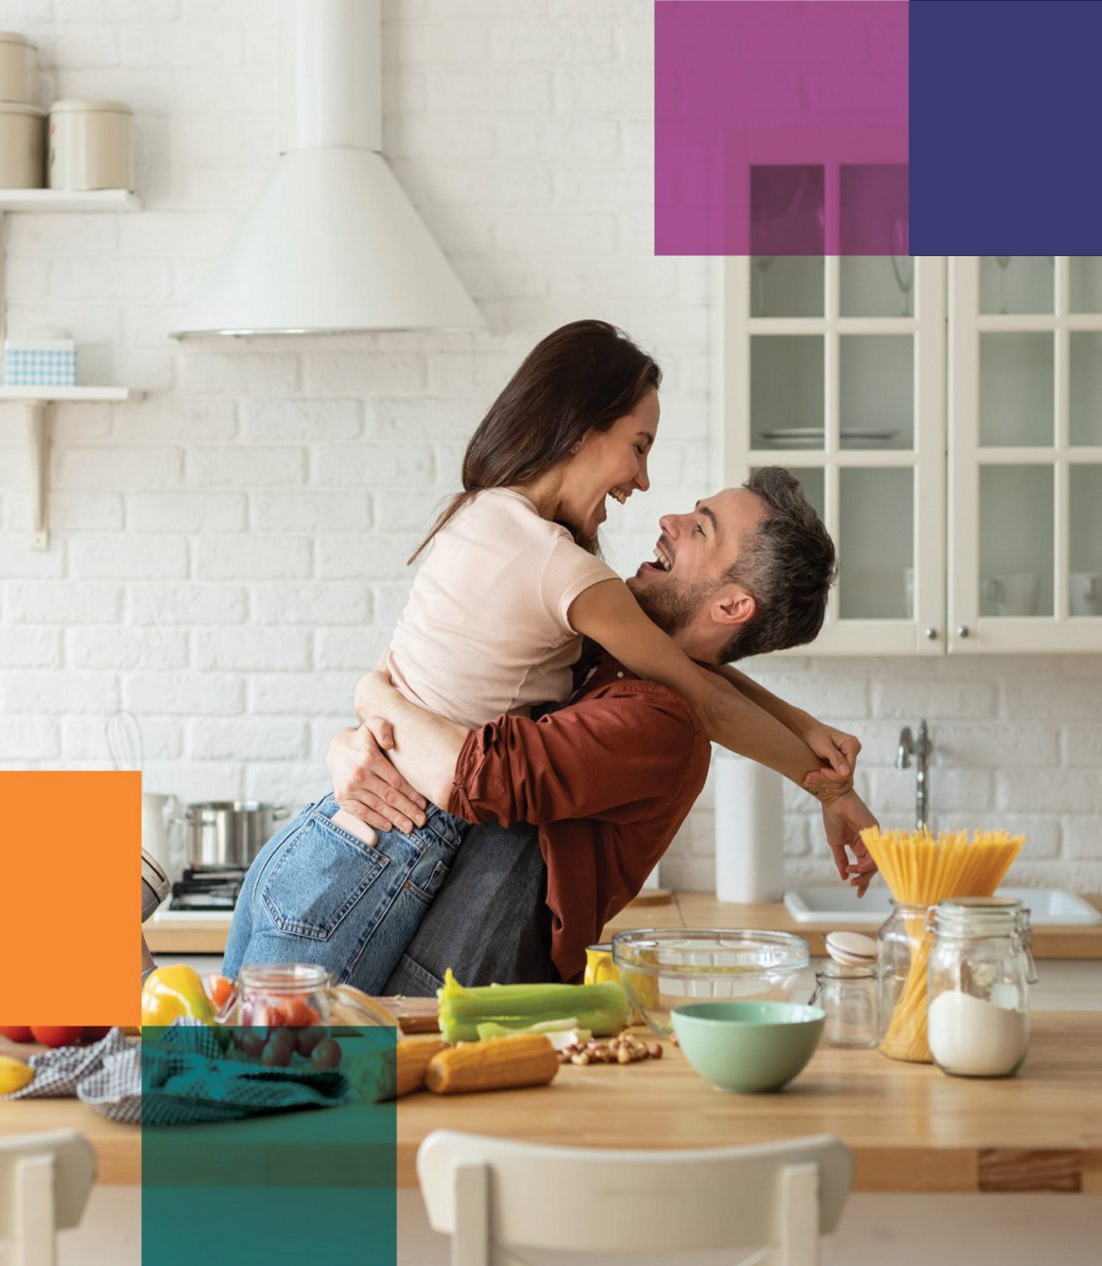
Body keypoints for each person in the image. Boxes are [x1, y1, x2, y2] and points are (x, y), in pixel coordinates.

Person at [225, 320, 864, 988]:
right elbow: (701, 689)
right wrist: (819, 774)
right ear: (584, 428)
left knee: (220, 1073)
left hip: (327, 839)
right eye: (639, 448)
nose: (649, 490)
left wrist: (813, 744)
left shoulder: (489, 514)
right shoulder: (572, 581)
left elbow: (697, 688)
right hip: (382, 848)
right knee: (249, 1084)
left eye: (699, 526)